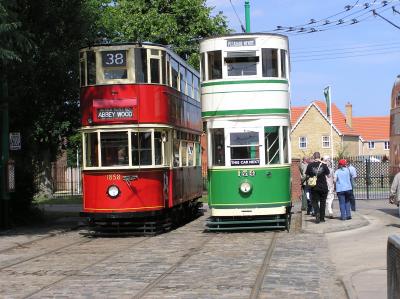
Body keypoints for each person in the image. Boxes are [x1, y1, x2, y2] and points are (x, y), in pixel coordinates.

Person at [305, 152, 330, 223]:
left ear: (313, 157)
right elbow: (328, 175)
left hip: (314, 187)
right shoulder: (324, 165)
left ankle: (317, 212)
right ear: (319, 156)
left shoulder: (310, 165)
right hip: (323, 187)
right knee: (323, 202)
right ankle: (322, 218)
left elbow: (307, 176)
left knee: (314, 201)